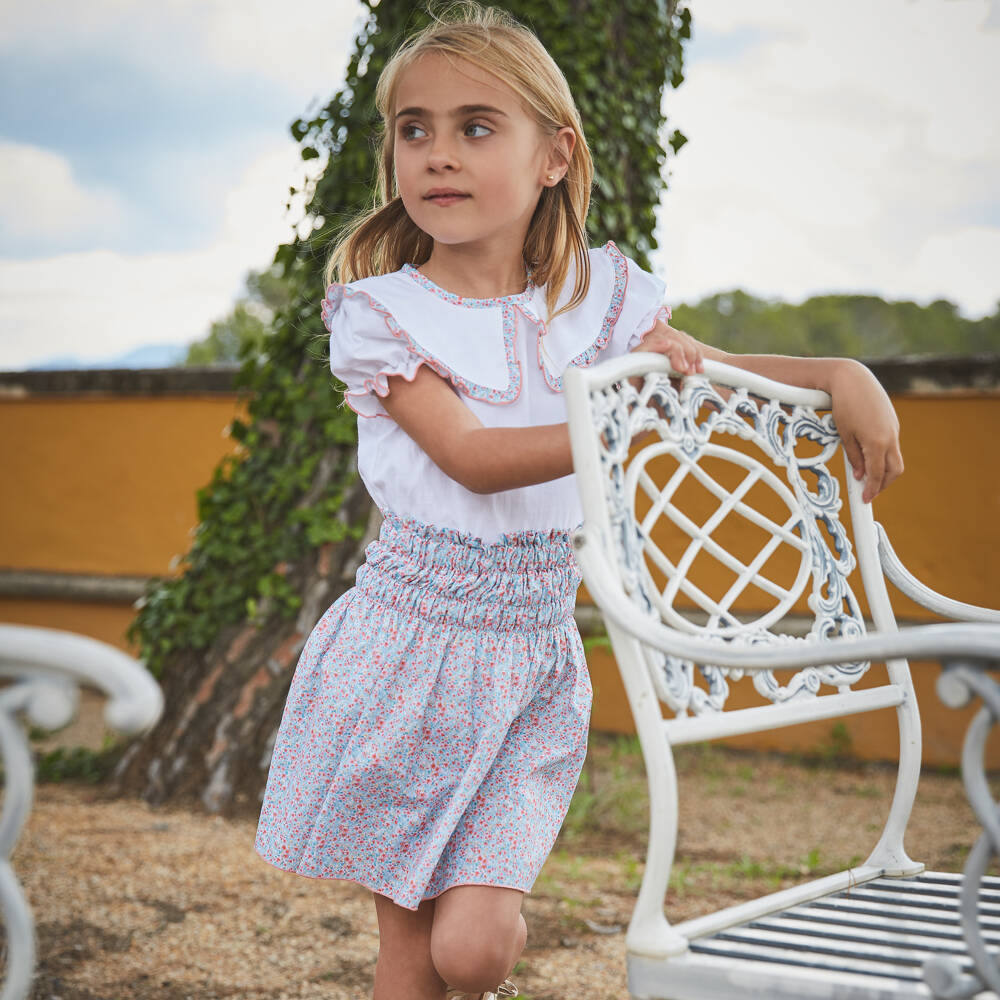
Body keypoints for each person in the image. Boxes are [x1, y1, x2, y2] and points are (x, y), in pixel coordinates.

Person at [253, 3, 904, 998]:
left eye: (476, 126)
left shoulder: (600, 302)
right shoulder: (384, 313)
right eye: (413, 128)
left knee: (474, 950)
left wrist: (836, 371)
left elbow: (715, 377)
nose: (436, 152)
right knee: (412, 954)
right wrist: (628, 420)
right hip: (409, 646)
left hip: (532, 655)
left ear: (555, 154)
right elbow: (470, 457)